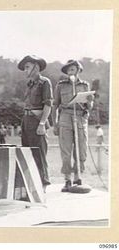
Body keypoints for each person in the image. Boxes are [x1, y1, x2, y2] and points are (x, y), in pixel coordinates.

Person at [52, 60, 94, 192]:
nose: (71, 71)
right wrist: (55, 123)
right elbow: (55, 105)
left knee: (81, 149)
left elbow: (89, 106)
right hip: (65, 117)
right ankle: (67, 179)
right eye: (68, 69)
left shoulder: (85, 85)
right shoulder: (61, 85)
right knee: (66, 150)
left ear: (78, 70)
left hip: (81, 117)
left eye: (73, 69)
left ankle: (78, 177)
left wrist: (90, 102)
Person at [17, 55, 52, 191]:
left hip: (37, 121)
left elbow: (48, 105)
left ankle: (42, 185)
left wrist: (42, 123)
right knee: (27, 153)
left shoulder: (45, 83)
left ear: (36, 67)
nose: (25, 70)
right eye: (25, 67)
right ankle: (31, 185)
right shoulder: (29, 84)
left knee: (39, 154)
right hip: (26, 120)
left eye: (27, 67)